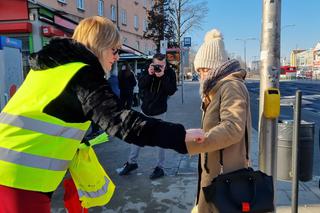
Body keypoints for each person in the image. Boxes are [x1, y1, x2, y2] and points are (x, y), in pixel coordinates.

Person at [0, 16, 204, 212]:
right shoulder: (82, 74)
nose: (117, 57)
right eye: (114, 50)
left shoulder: (50, 69)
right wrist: (180, 137)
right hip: (18, 178)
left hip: (11, 169)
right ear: (98, 45)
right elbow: (122, 122)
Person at [186, 29, 252, 213]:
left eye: (204, 69)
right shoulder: (216, 89)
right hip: (216, 173)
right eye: (199, 70)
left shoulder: (231, 86)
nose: (201, 75)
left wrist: (197, 141)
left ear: (215, 67)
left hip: (226, 177)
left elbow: (233, 127)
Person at [118, 53, 177, 180]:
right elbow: (140, 85)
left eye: (162, 65)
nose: (159, 67)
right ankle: (132, 163)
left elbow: (171, 90)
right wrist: (150, 75)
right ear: (152, 63)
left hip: (160, 111)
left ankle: (160, 167)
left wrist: (162, 77)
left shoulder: (170, 72)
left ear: (165, 64)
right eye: (156, 65)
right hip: (145, 109)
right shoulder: (147, 68)